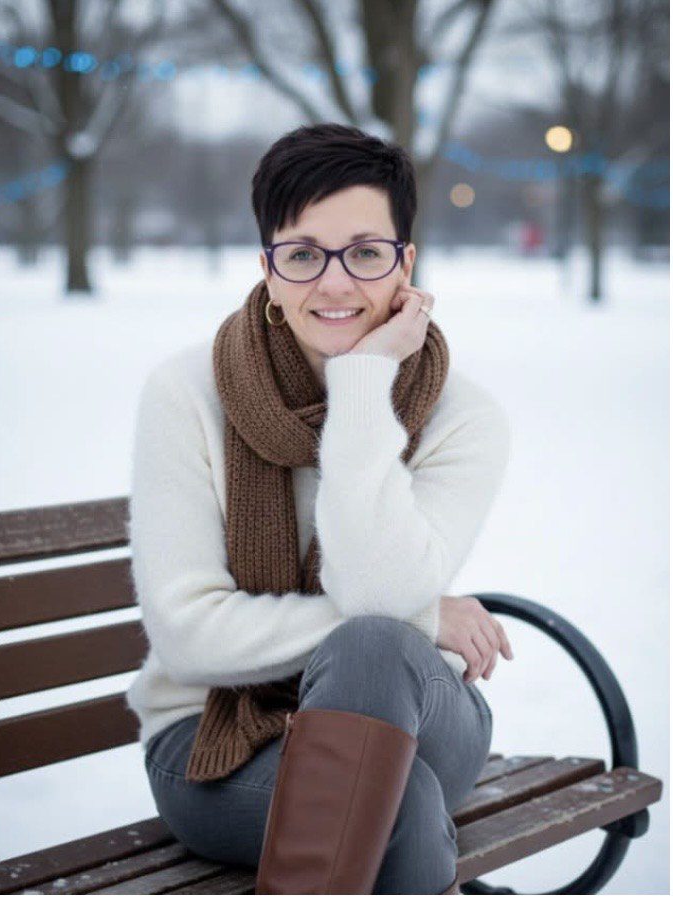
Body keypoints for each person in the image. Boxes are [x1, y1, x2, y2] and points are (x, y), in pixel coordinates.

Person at [126, 122, 513, 895]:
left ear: (405, 263)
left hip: (422, 722)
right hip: (213, 742)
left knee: (374, 645)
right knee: (389, 799)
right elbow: (189, 637)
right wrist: (418, 615)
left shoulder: (464, 418)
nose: (333, 284)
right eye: (302, 254)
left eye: (365, 253)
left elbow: (378, 603)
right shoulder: (187, 394)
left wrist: (363, 387)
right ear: (268, 268)